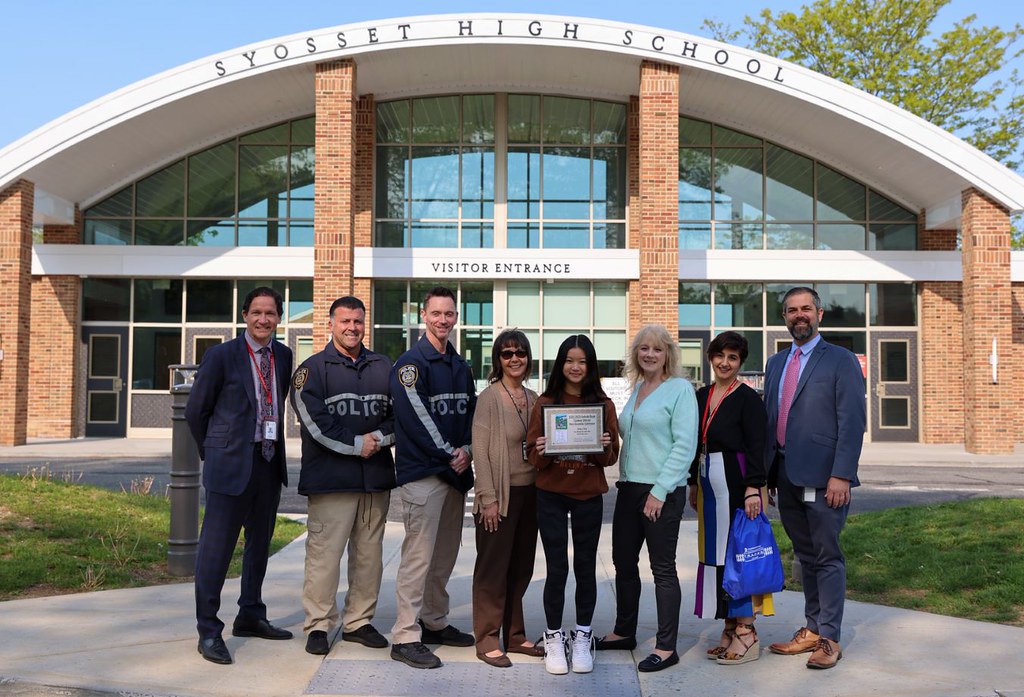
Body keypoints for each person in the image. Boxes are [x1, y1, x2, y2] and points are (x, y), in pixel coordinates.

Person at [185, 286, 294, 665]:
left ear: (279, 317)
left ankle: (250, 614)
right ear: (245, 315)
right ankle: (208, 631)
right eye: (257, 312)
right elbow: (195, 412)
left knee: (259, 546)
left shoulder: (284, 355)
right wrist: (212, 452)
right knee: (215, 552)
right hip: (229, 466)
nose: (263, 319)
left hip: (267, 463)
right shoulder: (220, 356)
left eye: (271, 313)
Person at [764, 287, 866, 670]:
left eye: (806, 308)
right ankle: (810, 628)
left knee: (827, 557)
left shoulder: (839, 360)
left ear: (820, 314)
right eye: (792, 310)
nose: (799, 315)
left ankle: (830, 637)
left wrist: (841, 474)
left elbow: (852, 421)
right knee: (804, 557)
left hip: (825, 479)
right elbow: (771, 419)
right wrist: (767, 476)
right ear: (785, 317)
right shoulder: (777, 363)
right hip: (786, 476)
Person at [289, 296, 395, 656]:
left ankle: (359, 622)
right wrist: (356, 444)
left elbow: (401, 417)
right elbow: (316, 423)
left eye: (358, 321)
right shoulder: (311, 370)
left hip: (375, 481)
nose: (352, 327)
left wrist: (379, 439)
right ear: (331, 324)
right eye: (345, 321)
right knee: (324, 557)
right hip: (331, 482)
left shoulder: (384, 366)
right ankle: (318, 625)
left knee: (369, 557)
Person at [597, 324, 697, 673]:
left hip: (662, 492)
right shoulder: (639, 388)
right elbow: (631, 436)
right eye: (643, 349)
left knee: (663, 569)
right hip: (629, 487)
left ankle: (666, 646)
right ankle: (624, 631)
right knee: (624, 563)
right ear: (636, 354)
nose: (650, 354)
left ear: (668, 353)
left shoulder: (680, 390)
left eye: (657, 348)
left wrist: (659, 491)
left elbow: (685, 445)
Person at [389, 286, 477, 669]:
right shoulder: (411, 365)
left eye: (449, 314)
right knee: (418, 559)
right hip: (425, 474)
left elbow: (473, 415)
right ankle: (405, 635)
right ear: (423, 316)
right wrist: (451, 454)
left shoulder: (461, 365)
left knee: (444, 558)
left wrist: (468, 451)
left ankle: (434, 621)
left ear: (456, 318)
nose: (443, 320)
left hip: (454, 475)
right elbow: (417, 419)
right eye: (436, 313)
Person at [526, 334, 620, 676]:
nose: (575, 367)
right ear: (560, 364)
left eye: (582, 361)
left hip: (587, 495)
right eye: (569, 360)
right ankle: (553, 637)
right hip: (551, 492)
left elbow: (610, 458)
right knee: (556, 568)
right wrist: (540, 447)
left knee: (584, 567)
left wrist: (603, 444)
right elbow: (533, 458)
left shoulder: (603, 405)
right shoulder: (545, 403)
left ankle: (582, 635)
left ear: (590, 365)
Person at [687, 331, 771, 666]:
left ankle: (747, 631)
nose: (725, 363)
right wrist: (693, 482)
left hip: (737, 485)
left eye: (733, 357)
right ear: (711, 357)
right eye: (720, 356)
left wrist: (754, 488)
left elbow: (757, 447)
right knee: (714, 555)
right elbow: (697, 442)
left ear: (740, 363)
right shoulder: (702, 395)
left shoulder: (748, 399)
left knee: (738, 555)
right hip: (708, 485)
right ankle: (729, 624)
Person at [471, 329, 542, 668]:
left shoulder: (533, 396)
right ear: (498, 360)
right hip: (499, 494)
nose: (515, 358)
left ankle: (514, 636)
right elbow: (480, 453)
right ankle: (486, 638)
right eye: (507, 353)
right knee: (493, 570)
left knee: (521, 568)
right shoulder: (489, 398)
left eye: (520, 353)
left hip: (531, 494)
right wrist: (487, 498)